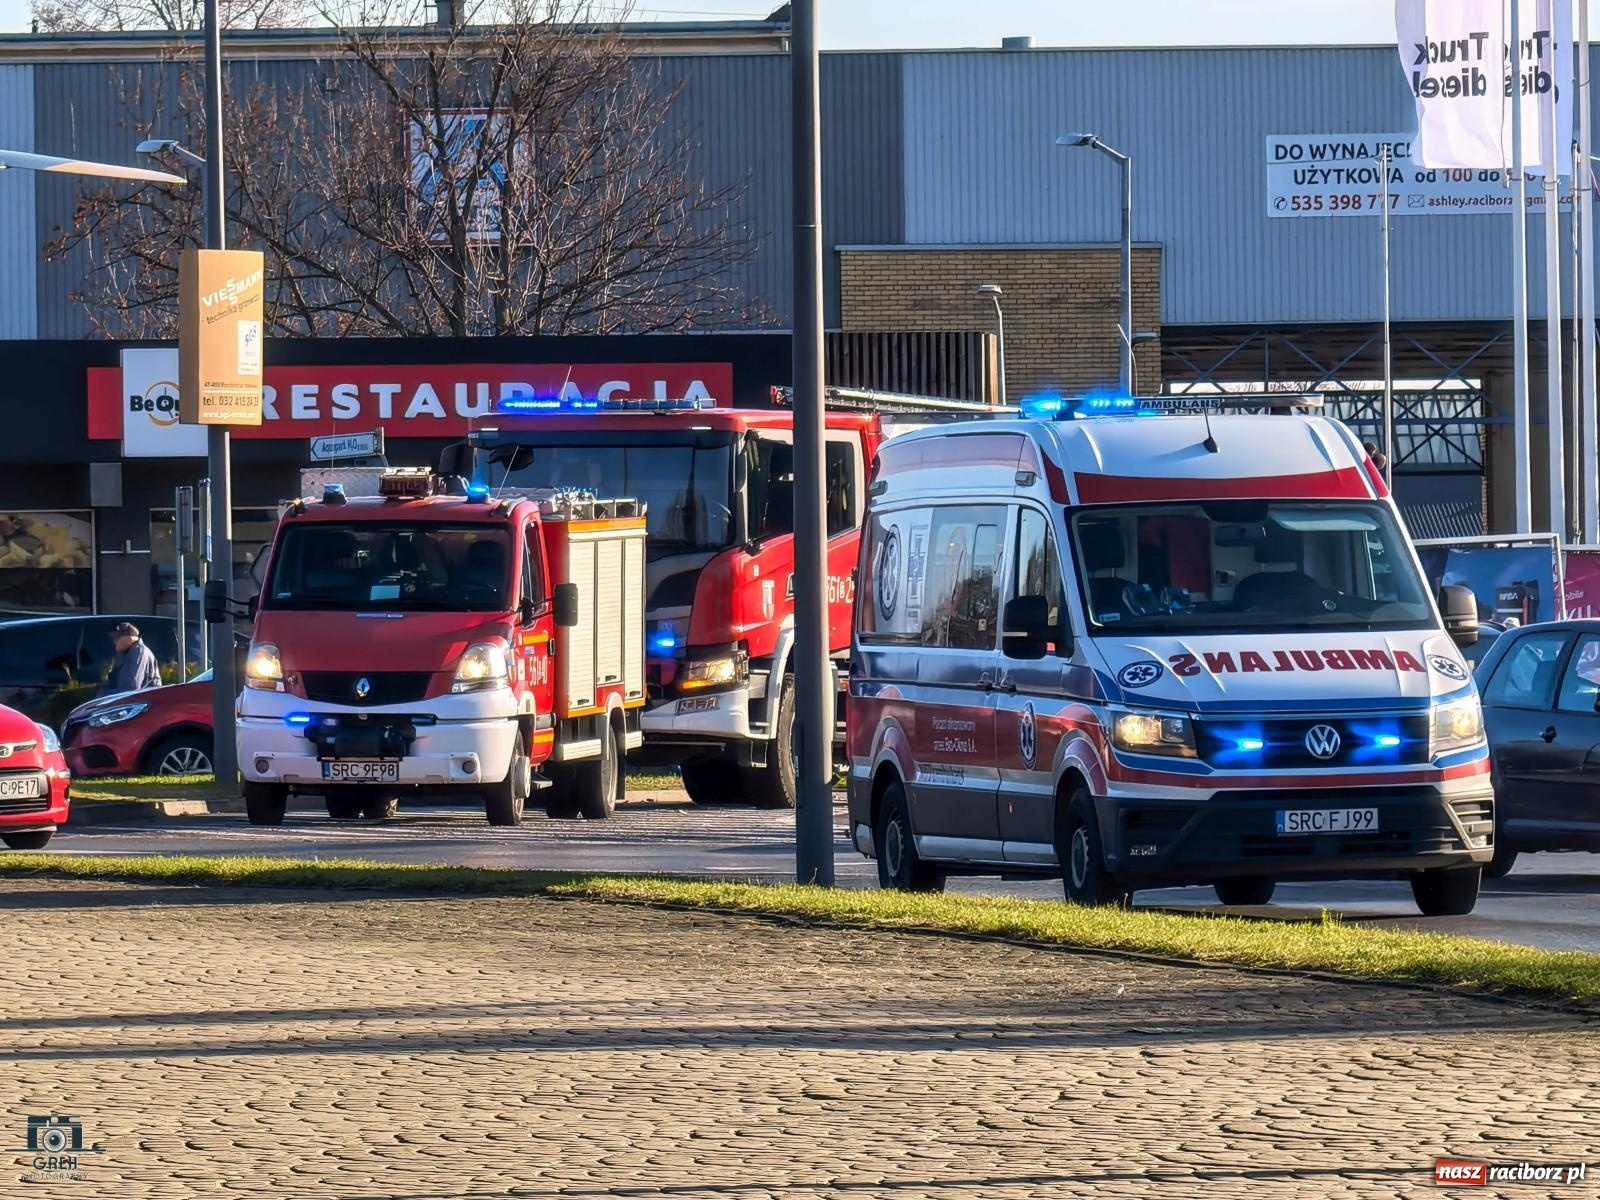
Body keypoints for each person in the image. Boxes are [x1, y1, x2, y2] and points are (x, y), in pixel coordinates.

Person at [103, 622, 162, 696]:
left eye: (117, 638)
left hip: (145, 701)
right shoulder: (124, 654)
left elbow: (130, 689)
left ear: (129, 638)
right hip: (128, 700)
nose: (114, 641)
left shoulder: (139, 652)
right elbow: (112, 681)